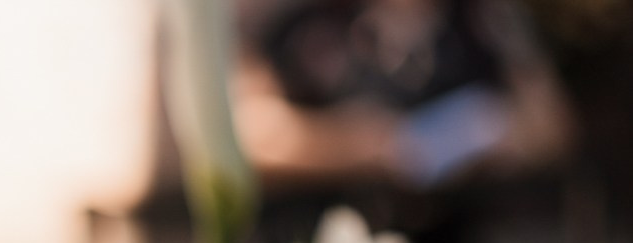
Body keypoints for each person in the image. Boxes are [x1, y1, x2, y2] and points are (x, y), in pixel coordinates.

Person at [233, 0, 575, 190]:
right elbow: (247, 134)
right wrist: (362, 147)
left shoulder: (483, 17)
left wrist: (495, 134)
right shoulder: (304, 20)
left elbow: (552, 125)